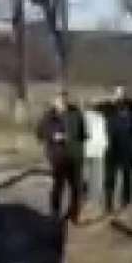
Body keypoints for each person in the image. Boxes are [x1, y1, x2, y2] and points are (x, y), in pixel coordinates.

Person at [37, 90, 87, 223]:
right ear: (55, 101)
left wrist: (78, 145)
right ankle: (55, 214)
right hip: (57, 156)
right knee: (58, 186)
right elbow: (40, 133)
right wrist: (53, 136)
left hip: (74, 156)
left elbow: (83, 134)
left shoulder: (76, 113)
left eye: (64, 99)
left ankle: (74, 215)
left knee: (76, 187)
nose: (62, 102)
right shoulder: (48, 116)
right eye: (59, 100)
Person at [98, 86, 132, 214]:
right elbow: (96, 106)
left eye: (123, 93)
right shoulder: (109, 107)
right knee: (110, 177)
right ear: (115, 94)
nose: (121, 95)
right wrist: (109, 99)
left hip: (127, 146)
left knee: (127, 176)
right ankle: (108, 204)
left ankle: (126, 202)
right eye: (118, 93)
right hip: (112, 146)